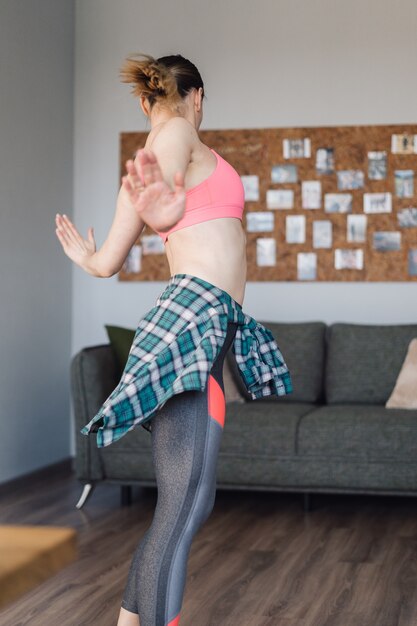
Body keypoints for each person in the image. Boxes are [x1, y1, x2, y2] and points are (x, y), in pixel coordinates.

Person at [55, 53, 293, 626]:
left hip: (202, 324)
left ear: (144, 100)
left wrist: (91, 257)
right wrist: (164, 216)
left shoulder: (157, 156)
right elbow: (164, 209)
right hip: (194, 323)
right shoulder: (179, 132)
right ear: (198, 96)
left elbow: (109, 260)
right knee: (186, 507)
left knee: (181, 506)